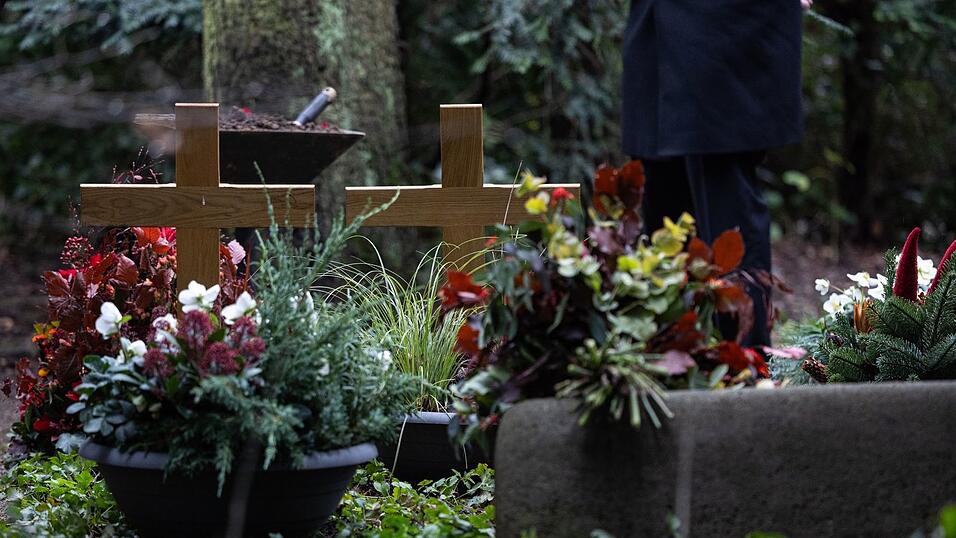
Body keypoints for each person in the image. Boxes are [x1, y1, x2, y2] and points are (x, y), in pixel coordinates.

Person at [622, 0, 810, 346]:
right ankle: (676, 356)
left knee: (726, 202)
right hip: (656, 27)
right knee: (662, 201)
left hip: (722, 26)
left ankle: (744, 362)